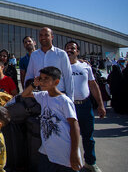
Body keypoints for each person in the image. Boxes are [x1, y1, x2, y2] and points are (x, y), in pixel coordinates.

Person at [22, 67, 82, 172]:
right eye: (41, 78)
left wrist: (74, 152)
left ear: (56, 81)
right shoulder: (43, 96)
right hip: (47, 151)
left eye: (46, 78)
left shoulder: (64, 101)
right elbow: (24, 94)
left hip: (64, 151)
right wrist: (33, 84)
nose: (42, 81)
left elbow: (74, 126)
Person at [65, 41, 106, 172]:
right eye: (67, 48)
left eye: (73, 48)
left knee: (88, 137)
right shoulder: (61, 66)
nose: (70, 50)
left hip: (85, 106)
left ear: (77, 52)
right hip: (68, 107)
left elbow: (93, 86)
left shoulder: (85, 66)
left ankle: (90, 162)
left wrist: (100, 105)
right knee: (68, 137)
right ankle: (69, 164)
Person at [24, 27, 74, 101]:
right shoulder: (34, 55)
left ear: (52, 37)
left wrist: (70, 99)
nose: (43, 37)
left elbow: (68, 77)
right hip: (40, 96)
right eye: (41, 35)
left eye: (46, 35)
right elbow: (29, 76)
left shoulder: (61, 54)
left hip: (58, 95)